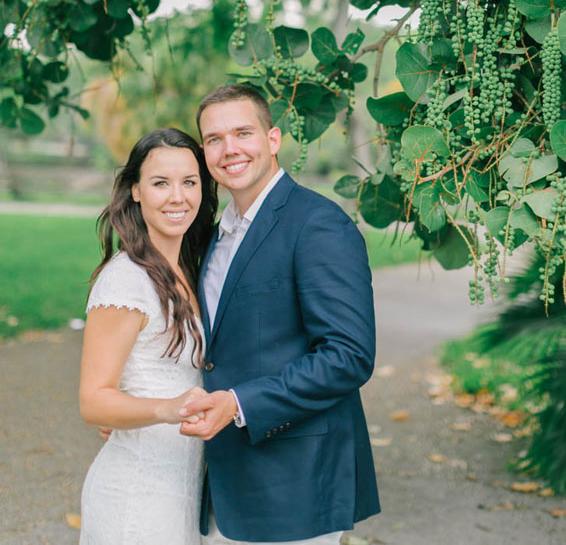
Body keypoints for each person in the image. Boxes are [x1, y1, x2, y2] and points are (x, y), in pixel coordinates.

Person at [177, 83, 380, 545]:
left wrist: (239, 403)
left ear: (273, 140)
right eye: (213, 139)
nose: (229, 149)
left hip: (295, 482)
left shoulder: (318, 224)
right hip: (222, 479)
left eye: (242, 133)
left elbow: (347, 356)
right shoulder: (212, 234)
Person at [79, 128, 218, 545]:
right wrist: (167, 409)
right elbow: (94, 400)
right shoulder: (126, 281)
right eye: (161, 183)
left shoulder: (190, 271)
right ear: (136, 190)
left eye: (189, 182)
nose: (178, 197)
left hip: (183, 490)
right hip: (136, 497)